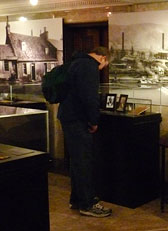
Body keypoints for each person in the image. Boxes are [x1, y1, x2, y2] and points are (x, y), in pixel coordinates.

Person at [57, 47, 112, 217]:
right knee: (84, 162)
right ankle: (87, 204)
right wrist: (94, 120)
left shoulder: (75, 62)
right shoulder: (89, 67)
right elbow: (89, 96)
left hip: (68, 116)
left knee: (77, 161)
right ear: (102, 58)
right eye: (105, 64)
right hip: (78, 120)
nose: (102, 68)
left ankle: (77, 199)